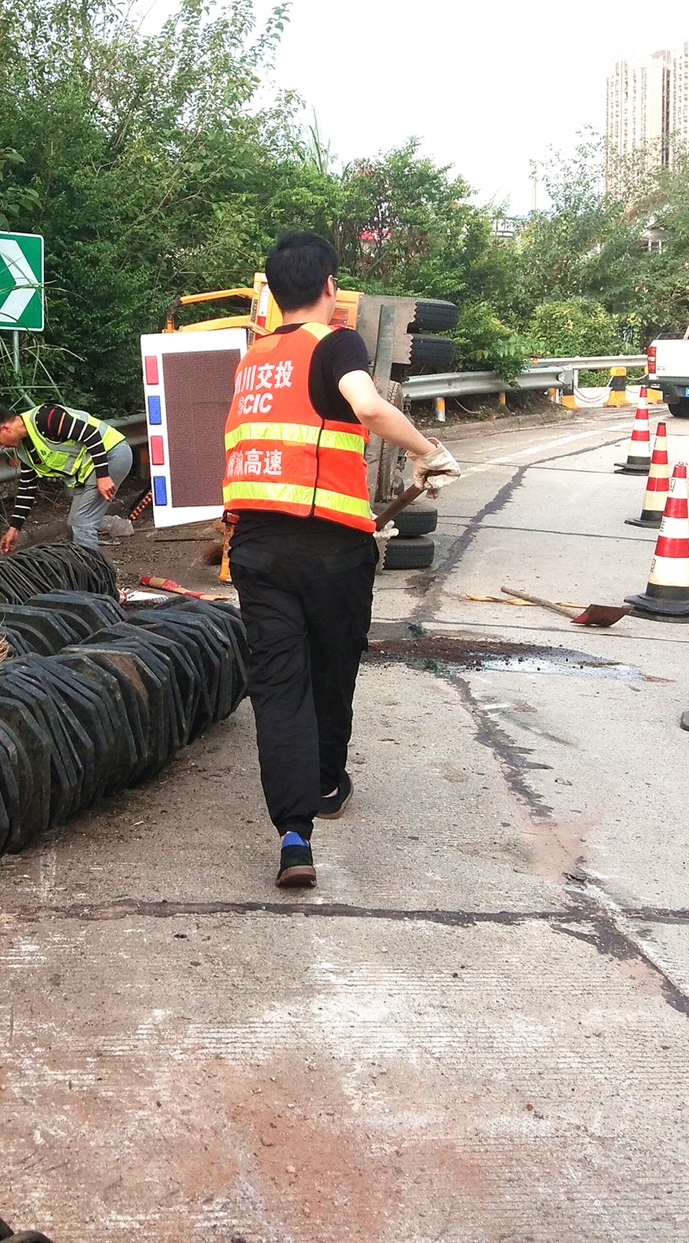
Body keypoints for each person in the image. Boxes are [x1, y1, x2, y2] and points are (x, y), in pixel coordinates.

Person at [221, 231, 460, 889]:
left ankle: (294, 836)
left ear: (271, 291)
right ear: (330, 287)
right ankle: (325, 782)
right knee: (330, 674)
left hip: (258, 547)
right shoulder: (337, 343)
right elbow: (367, 405)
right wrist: (424, 451)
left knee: (278, 687)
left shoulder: (253, 359)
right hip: (329, 547)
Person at [0, 402, 134, 552]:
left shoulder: (46, 418)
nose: (2, 447)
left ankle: (94, 574)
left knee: (82, 523)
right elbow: (27, 487)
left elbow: (91, 434)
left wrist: (103, 475)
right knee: (73, 525)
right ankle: (87, 565)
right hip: (90, 469)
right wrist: (14, 528)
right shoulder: (24, 450)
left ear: (5, 428)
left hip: (111, 455)